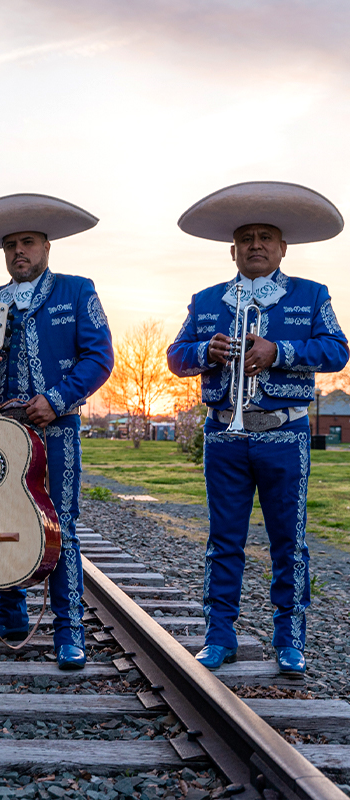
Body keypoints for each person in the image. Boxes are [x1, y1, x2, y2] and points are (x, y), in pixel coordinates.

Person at [167, 181, 348, 675]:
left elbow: (337, 350)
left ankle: (289, 639)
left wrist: (279, 353)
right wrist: (207, 353)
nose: (255, 245)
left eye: (265, 236)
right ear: (232, 250)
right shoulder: (206, 300)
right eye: (246, 237)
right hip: (224, 433)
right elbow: (176, 357)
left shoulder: (311, 295)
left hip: (284, 436)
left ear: (282, 247)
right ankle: (219, 636)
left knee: (289, 539)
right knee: (223, 540)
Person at [0, 193, 114, 670]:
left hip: (56, 431)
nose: (18, 252)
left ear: (46, 246)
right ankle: (10, 615)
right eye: (10, 245)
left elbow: (99, 358)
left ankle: (69, 631)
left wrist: (56, 399)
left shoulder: (77, 290)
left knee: (59, 525)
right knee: (0, 517)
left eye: (27, 243)